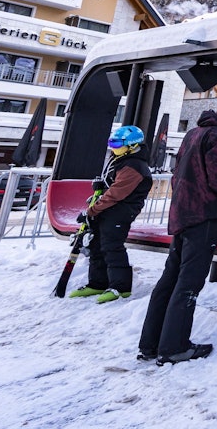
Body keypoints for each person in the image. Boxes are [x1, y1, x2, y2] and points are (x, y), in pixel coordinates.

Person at [138, 96, 217, 365]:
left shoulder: (193, 133)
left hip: (182, 213)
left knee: (169, 280)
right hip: (204, 216)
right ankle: (174, 347)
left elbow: (179, 173)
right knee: (189, 284)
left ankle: (150, 344)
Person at [68, 125, 153, 303]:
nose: (113, 147)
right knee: (97, 245)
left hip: (121, 211)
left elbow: (116, 193)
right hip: (107, 209)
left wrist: (91, 210)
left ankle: (121, 287)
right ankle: (98, 283)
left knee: (112, 246)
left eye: (117, 144)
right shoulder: (120, 159)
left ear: (132, 145)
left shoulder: (134, 166)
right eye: (111, 143)